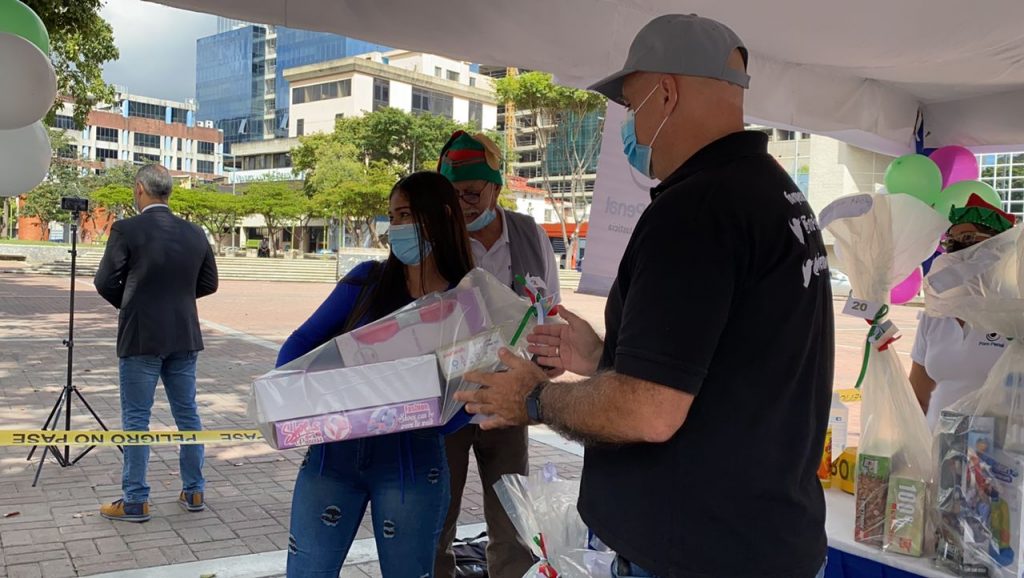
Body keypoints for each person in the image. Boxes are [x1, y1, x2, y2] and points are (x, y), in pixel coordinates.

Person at [456, 14, 833, 578]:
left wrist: (533, 398)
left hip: (699, 552)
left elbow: (650, 411)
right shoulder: (775, 192)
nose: (629, 125)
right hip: (764, 540)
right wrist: (602, 357)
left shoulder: (696, 209)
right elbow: (723, 368)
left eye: (632, 106)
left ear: (667, 93)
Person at [278, 171, 475, 577]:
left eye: (406, 215)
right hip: (333, 456)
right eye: (392, 216)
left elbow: (468, 399)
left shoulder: (467, 303)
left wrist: (430, 413)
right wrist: (298, 399)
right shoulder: (366, 281)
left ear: (440, 216)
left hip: (412, 463)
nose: (395, 227)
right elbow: (299, 345)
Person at [434, 130, 560, 578]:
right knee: (438, 517)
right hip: (448, 401)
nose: (461, 205)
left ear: (495, 187)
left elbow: (548, 309)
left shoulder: (529, 235)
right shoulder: (437, 237)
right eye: (452, 195)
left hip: (510, 399)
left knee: (512, 519)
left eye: (471, 193)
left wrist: (544, 368)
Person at [94, 164, 219, 522]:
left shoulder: (126, 229)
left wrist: (133, 303)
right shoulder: (195, 232)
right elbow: (209, 283)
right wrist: (177, 300)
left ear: (139, 189)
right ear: (169, 192)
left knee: (136, 419)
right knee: (188, 414)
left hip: (141, 336)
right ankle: (194, 490)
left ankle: (136, 499)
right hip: (184, 334)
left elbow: (104, 281)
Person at [911, 194, 1015, 427]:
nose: (957, 248)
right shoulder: (936, 314)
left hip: (1000, 446)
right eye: (951, 241)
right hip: (938, 442)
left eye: (967, 238)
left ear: (998, 246)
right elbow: (918, 396)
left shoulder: (1014, 315)